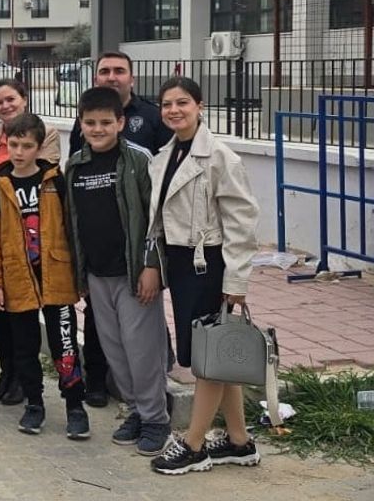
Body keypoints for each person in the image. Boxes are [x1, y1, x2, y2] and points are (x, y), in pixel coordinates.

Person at [148, 77, 261, 475]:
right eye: (167, 104)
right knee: (214, 354)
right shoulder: (165, 155)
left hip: (208, 264)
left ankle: (194, 444)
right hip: (179, 264)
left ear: (200, 106)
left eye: (182, 102)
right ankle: (239, 441)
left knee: (206, 359)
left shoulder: (220, 158)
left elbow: (242, 224)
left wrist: (236, 284)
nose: (174, 110)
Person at [64, 87, 170, 456]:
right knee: (115, 350)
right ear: (81, 124)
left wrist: (152, 267)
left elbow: (156, 219)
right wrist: (80, 276)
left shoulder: (139, 160)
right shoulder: (75, 164)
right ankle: (138, 411)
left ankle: (157, 419)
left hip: (133, 272)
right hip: (97, 275)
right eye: (90, 123)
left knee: (143, 349)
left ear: (120, 122)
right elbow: (74, 222)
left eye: (106, 122)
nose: (97, 129)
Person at [0, 113, 89, 440]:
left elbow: (73, 230)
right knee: (24, 349)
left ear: (39, 147)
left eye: (26, 146)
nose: (18, 152)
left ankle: (75, 407)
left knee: (65, 347)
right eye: (13, 144)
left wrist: (79, 278)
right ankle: (34, 405)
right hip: (17, 282)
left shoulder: (56, 181)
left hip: (56, 281)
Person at [0, 78, 61, 406]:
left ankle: (26, 382)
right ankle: (7, 373)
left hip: (29, 231)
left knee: (23, 314)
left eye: (10, 99)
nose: (5, 106)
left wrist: (1, 180)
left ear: (24, 99)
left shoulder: (45, 132)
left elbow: (43, 169)